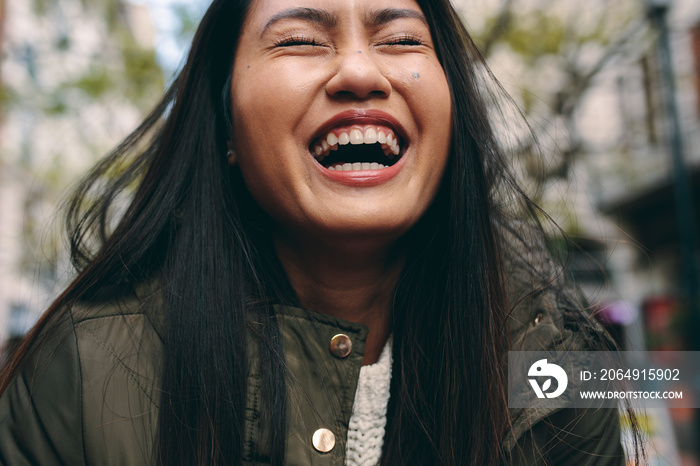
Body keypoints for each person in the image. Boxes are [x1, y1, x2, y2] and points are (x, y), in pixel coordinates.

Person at [0, 0, 638, 464]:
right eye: (301, 39)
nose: (361, 72)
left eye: (400, 38)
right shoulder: (78, 374)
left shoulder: (555, 363)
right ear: (225, 125)